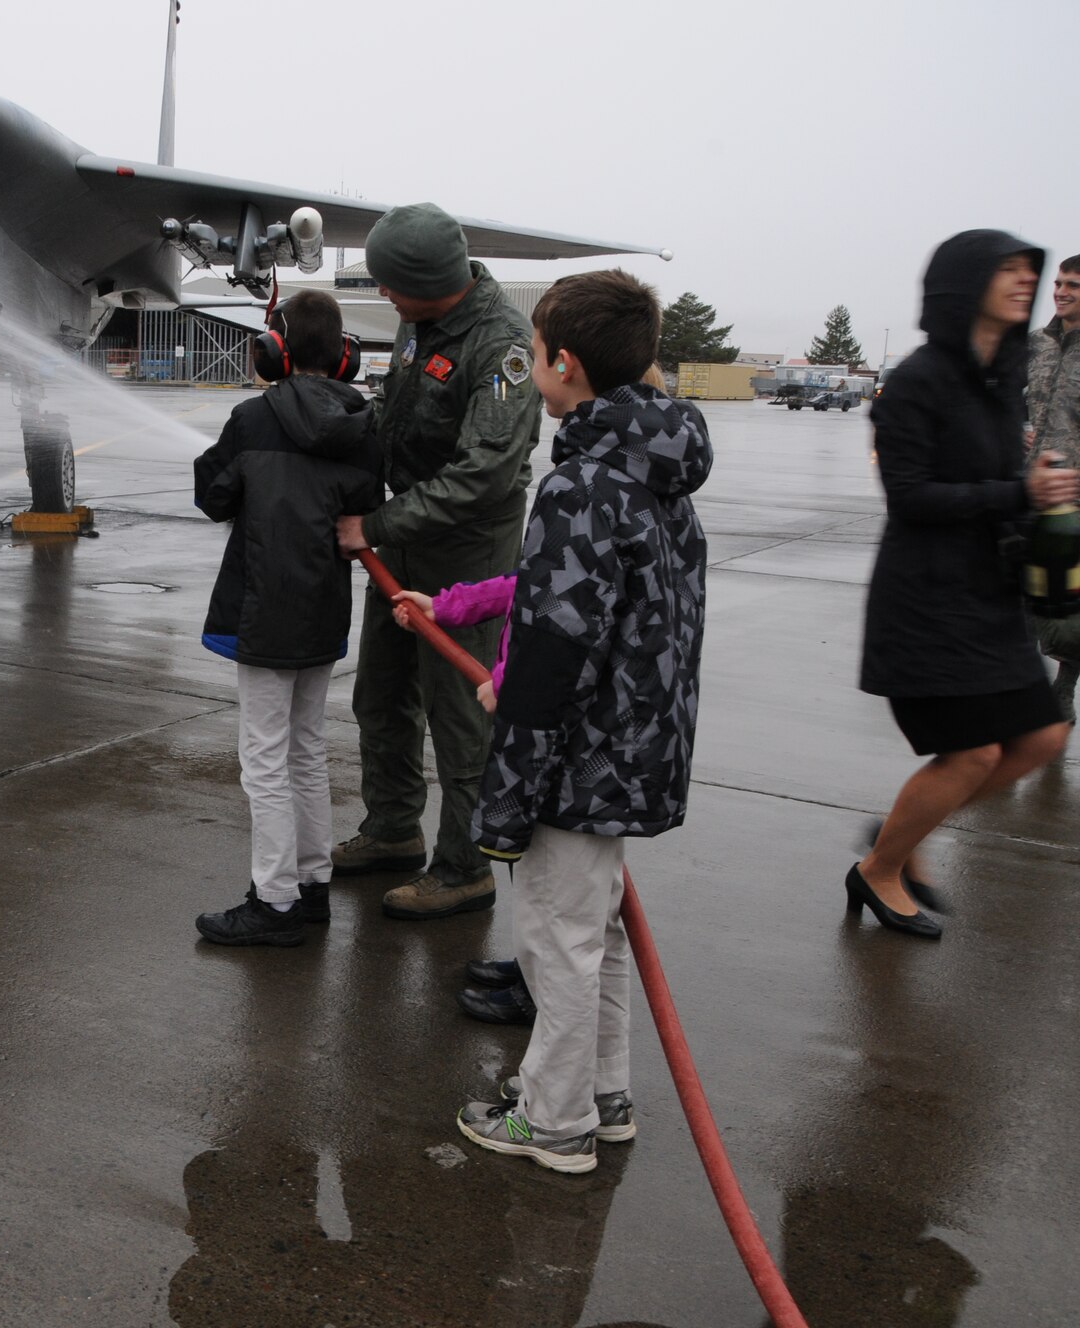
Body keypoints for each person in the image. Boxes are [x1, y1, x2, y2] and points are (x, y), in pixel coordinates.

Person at [421, 269, 712, 1173]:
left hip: (580, 760)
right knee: (598, 932)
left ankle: (552, 1122)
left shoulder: (582, 484)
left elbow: (557, 643)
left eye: (537, 354)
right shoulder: (658, 471)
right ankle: (602, 1092)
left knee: (557, 941)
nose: (533, 370)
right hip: (635, 746)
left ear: (565, 365)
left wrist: (517, 719)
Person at [851, 232, 1078, 936]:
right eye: (1005, 270)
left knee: (1041, 736)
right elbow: (911, 497)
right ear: (964, 283)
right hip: (927, 598)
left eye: (1027, 272)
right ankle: (880, 869)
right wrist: (1020, 493)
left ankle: (900, 833)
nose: (1024, 282)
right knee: (974, 752)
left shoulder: (1000, 376)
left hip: (989, 591)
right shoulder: (920, 380)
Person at [332, 203, 542, 923]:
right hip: (403, 535)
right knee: (381, 696)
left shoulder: (504, 346)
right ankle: (392, 830)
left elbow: (484, 472)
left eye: (391, 283)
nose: (383, 295)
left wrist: (377, 523)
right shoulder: (418, 322)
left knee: (461, 714)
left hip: (468, 550)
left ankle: (464, 867)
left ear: (426, 280)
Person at [191, 291, 385, 945]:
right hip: (323, 611)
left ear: (274, 353)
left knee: (264, 760)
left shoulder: (253, 417)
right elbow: (366, 506)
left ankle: (274, 903)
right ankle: (311, 884)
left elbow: (212, 495)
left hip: (264, 611)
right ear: (344, 357)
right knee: (305, 751)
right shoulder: (363, 425)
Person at [1027, 253, 1080, 722]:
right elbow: (1004, 397)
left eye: (1074, 286)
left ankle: (1063, 691)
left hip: (1076, 499)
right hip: (1029, 487)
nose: (1061, 291)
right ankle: (1021, 684)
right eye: (1060, 283)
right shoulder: (1035, 345)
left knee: (1069, 609)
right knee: (1020, 592)